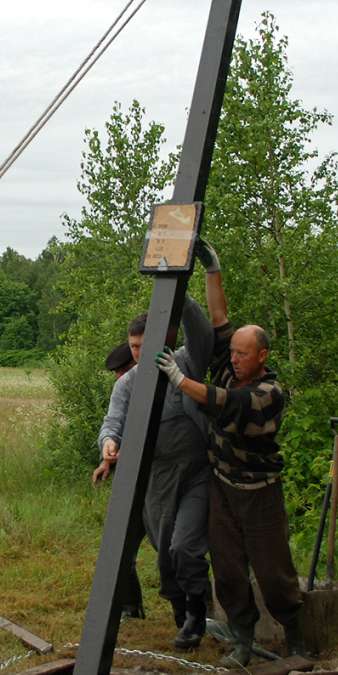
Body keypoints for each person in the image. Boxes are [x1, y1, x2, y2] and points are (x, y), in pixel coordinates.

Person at [96, 246, 230, 650]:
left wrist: (178, 292)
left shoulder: (187, 363)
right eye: (134, 348)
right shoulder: (127, 384)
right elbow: (112, 423)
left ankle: (197, 611)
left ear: (164, 337)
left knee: (185, 545)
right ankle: (185, 612)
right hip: (155, 476)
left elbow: (204, 333)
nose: (139, 354)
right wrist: (109, 445)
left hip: (195, 471)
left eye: (145, 345)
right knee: (165, 555)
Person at [156, 316, 304, 667]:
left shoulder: (269, 394)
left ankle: (296, 640)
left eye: (242, 353)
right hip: (222, 488)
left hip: (260, 494)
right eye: (233, 352)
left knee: (273, 573)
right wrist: (212, 268)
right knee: (227, 571)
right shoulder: (228, 369)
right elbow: (219, 320)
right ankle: (242, 641)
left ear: (262, 356)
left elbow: (226, 403)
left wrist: (179, 380)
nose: (233, 358)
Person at [93, 321, 147, 620]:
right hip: (131, 484)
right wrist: (106, 460)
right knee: (118, 548)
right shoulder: (123, 392)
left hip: (163, 481)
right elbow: (114, 429)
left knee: (177, 552)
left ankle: (200, 612)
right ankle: (130, 606)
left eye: (122, 370)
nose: (119, 378)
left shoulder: (158, 386)